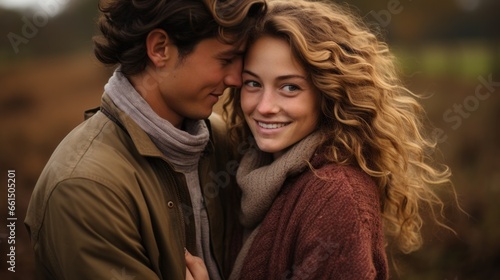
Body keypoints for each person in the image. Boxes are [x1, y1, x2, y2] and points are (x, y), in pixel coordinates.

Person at [24, 0, 266, 279]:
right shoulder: (83, 188)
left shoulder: (224, 140)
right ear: (160, 48)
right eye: (225, 59)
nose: (236, 78)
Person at [222, 0, 455, 279]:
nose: (264, 106)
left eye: (289, 87)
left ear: (328, 93)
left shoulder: (336, 196)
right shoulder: (243, 171)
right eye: (253, 83)